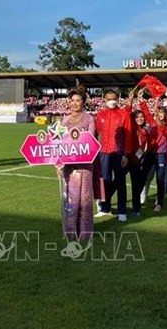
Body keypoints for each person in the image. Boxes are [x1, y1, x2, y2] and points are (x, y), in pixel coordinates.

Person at [58, 86, 97, 240]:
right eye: (72, 100)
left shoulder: (89, 119)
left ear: (83, 102)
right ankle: (70, 231)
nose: (74, 103)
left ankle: (85, 233)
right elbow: (59, 143)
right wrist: (59, 163)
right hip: (69, 167)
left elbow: (90, 142)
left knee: (85, 199)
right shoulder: (65, 119)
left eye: (78, 100)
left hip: (85, 165)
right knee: (71, 199)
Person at [95, 90, 132, 222]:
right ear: (104, 100)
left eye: (114, 98)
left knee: (120, 183)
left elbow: (128, 136)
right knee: (105, 182)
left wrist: (126, 155)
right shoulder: (101, 115)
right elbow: (95, 133)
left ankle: (122, 211)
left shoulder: (124, 115)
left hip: (118, 154)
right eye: (109, 98)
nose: (111, 101)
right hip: (104, 153)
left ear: (118, 99)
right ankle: (105, 208)